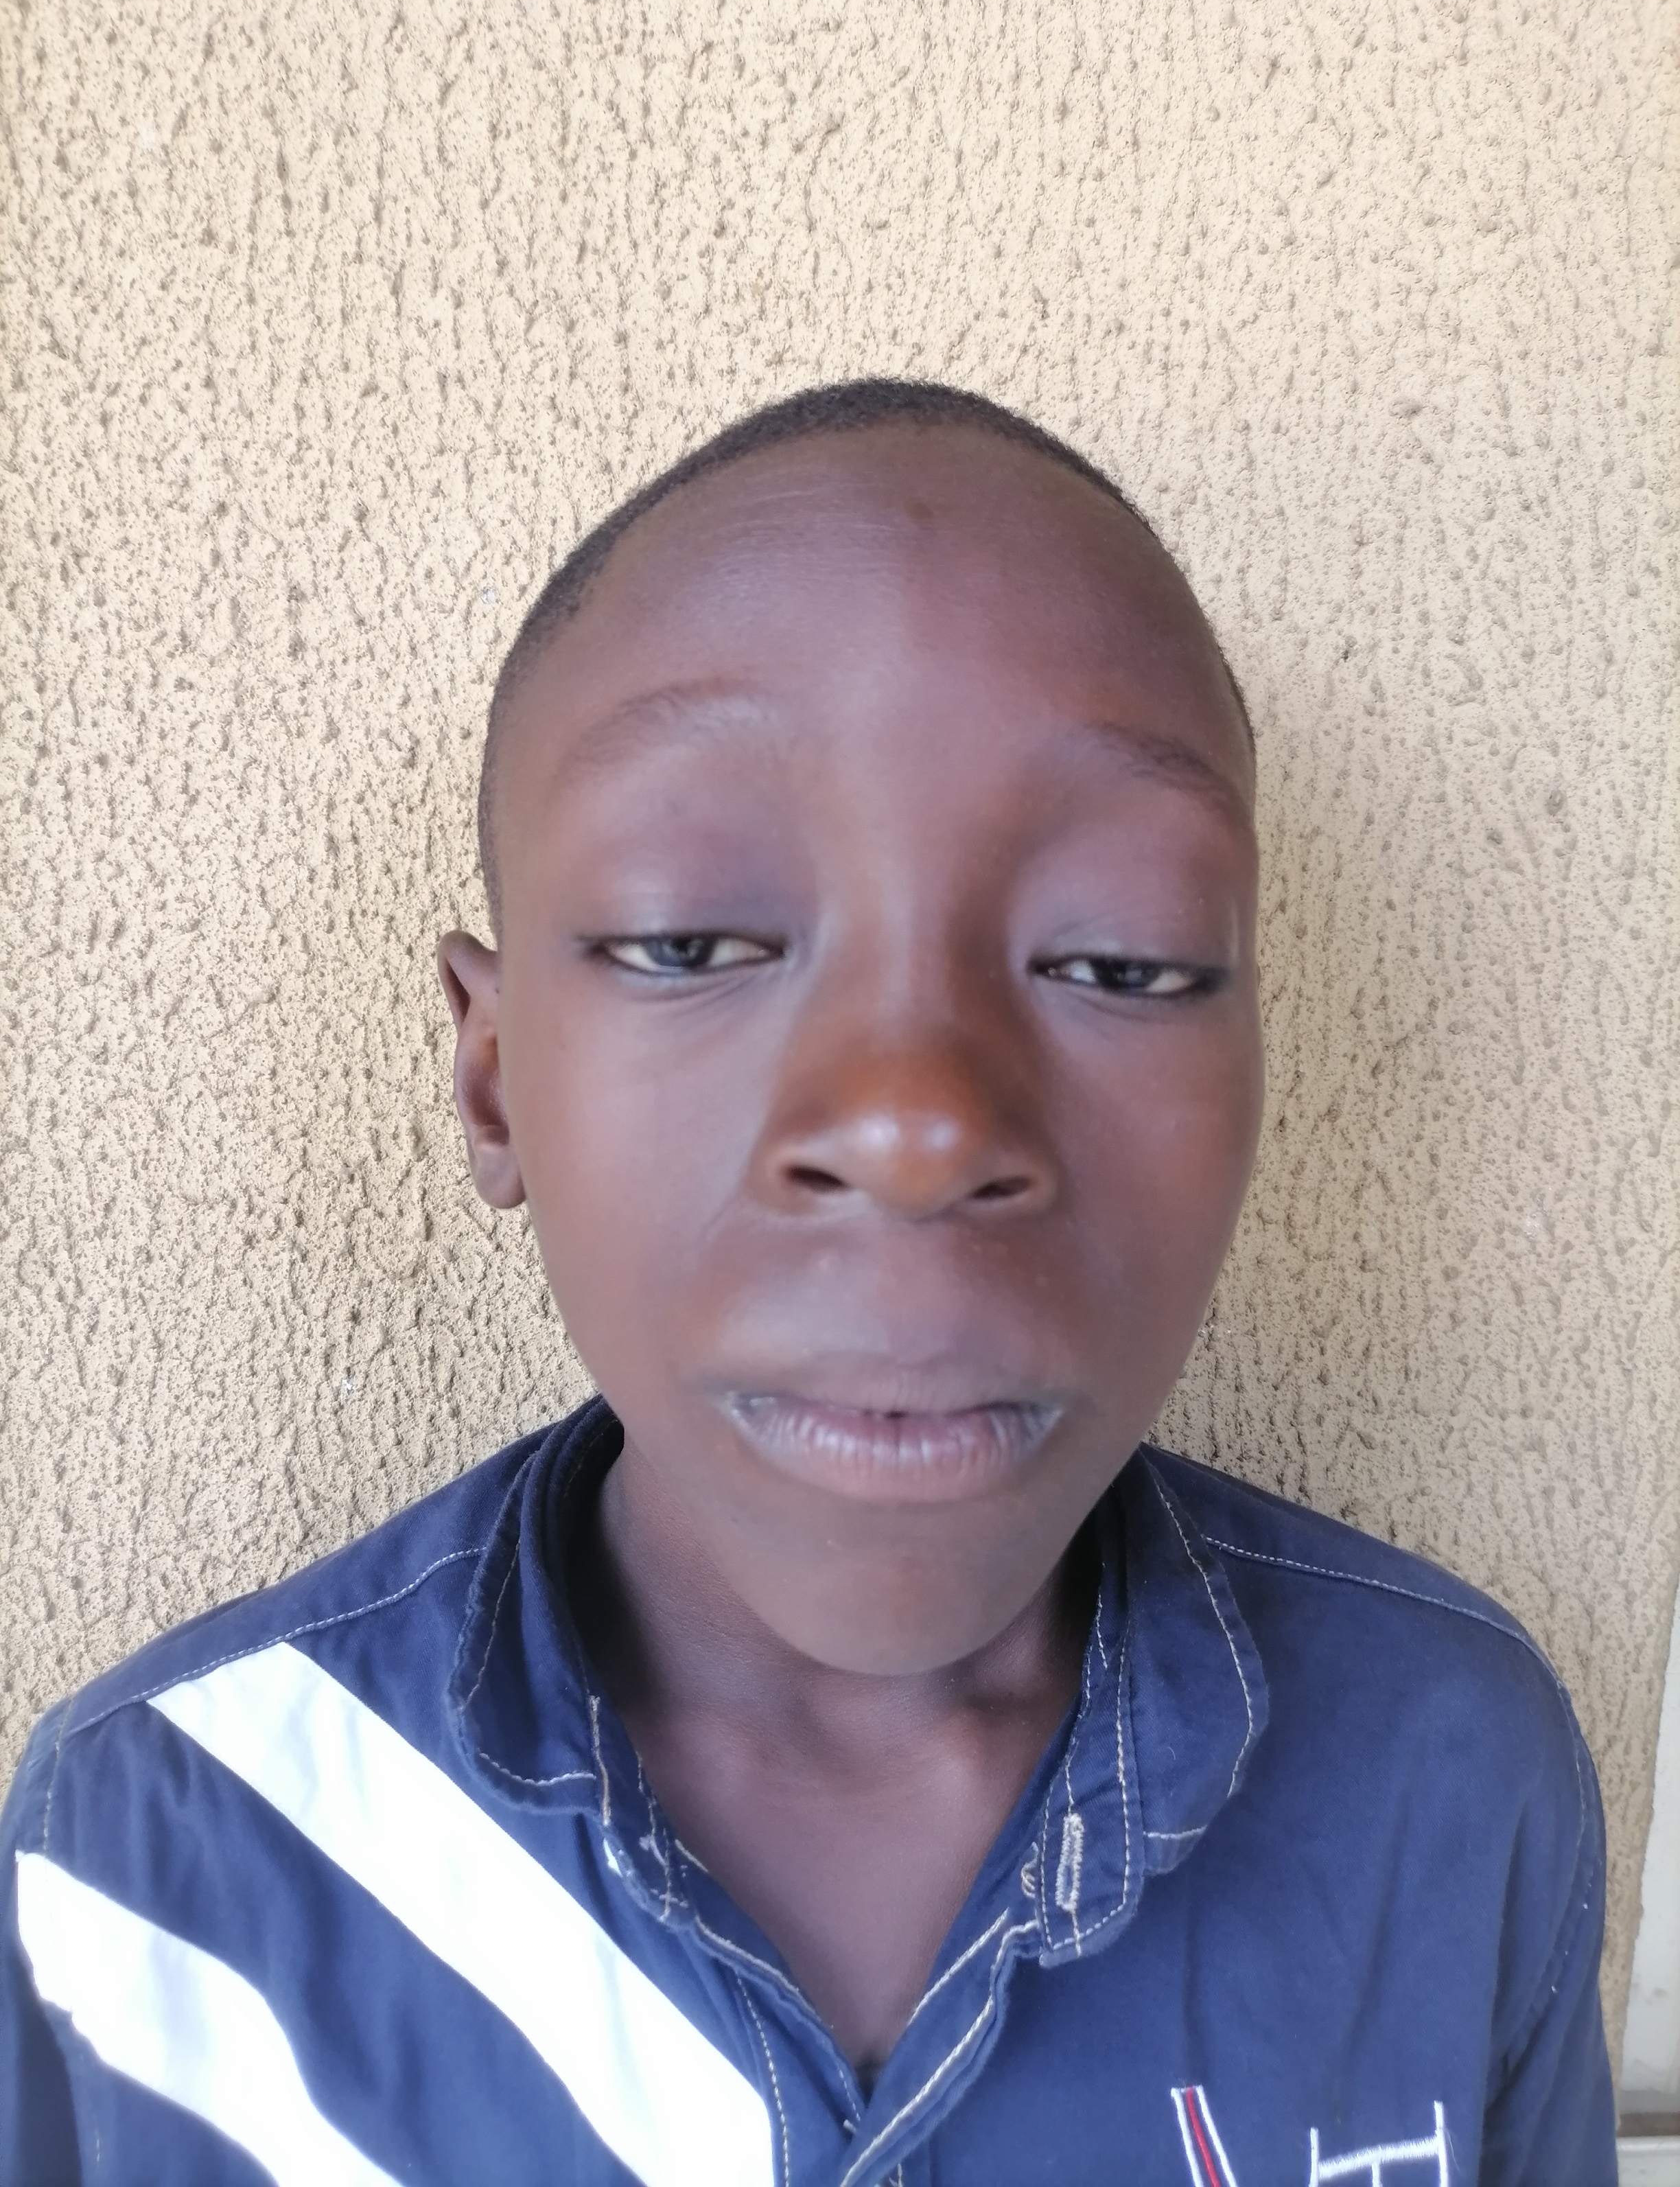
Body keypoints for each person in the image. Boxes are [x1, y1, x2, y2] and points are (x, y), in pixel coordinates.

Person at [0, 381, 1615, 2186]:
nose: (917, 1123)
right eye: (690, 939)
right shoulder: (157, 1858)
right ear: (494, 1078)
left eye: (1123, 960)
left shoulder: (1441, 1776)